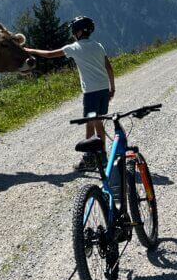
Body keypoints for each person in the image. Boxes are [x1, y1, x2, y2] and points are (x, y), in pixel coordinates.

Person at [23, 16, 116, 169]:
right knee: (97, 121)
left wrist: (30, 50)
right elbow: (109, 67)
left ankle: (90, 159)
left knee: (90, 123)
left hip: (91, 92)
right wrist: (112, 88)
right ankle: (101, 155)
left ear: (78, 32)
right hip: (103, 89)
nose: (73, 34)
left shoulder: (74, 47)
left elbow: (50, 54)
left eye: (74, 31)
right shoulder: (98, 46)